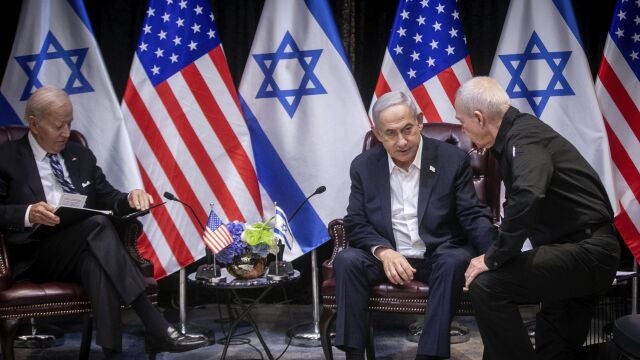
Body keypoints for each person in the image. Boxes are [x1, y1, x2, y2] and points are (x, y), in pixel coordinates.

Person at [0, 86, 209, 359]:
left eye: (70, 123)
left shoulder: (79, 155)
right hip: (35, 254)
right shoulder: (6, 158)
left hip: (83, 247)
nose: (66, 132)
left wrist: (131, 198)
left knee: (95, 257)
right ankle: (157, 326)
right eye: (58, 126)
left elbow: (108, 198)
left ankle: (112, 353)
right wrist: (28, 213)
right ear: (34, 124)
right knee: (97, 226)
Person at [457, 77, 621, 360]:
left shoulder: (524, 137)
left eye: (461, 122)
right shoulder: (522, 135)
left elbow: (529, 193)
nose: (462, 129)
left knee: (488, 284)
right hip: (576, 252)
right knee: (553, 353)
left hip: (587, 251)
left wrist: (493, 257)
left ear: (479, 118)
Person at [334, 91, 497, 360]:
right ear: (377, 134)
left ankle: (429, 356)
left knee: (454, 260)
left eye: (407, 129)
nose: (401, 141)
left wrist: (495, 254)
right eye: (390, 133)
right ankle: (354, 355)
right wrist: (384, 252)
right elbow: (357, 221)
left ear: (419, 121)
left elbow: (471, 214)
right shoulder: (364, 166)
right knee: (347, 260)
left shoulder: (451, 159)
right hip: (388, 257)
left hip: (438, 255)